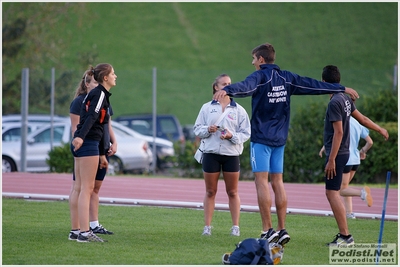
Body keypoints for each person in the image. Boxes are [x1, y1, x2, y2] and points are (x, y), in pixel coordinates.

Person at [213, 43, 360, 246]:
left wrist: (227, 90)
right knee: (278, 183)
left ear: (262, 60)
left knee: (261, 182)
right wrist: (340, 87)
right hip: (280, 140)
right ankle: (282, 230)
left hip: (262, 139)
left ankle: (267, 230)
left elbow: (245, 87)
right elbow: (313, 85)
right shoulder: (287, 77)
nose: (253, 62)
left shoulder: (260, 77)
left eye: (254, 58)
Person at [320, 65, 388, 246]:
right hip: (345, 153)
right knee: (334, 192)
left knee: (332, 193)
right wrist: (380, 129)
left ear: (324, 83)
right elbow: (363, 119)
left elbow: (339, 133)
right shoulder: (346, 99)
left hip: (338, 154)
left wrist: (331, 159)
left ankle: (345, 236)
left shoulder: (335, 102)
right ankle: (345, 235)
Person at [194, 74, 251, 236]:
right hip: (211, 153)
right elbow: (197, 128)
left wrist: (231, 136)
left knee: (232, 192)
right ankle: (207, 227)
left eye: (229, 84)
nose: (227, 86)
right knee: (210, 191)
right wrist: (207, 130)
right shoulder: (206, 108)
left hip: (231, 155)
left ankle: (236, 227)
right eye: (224, 84)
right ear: (216, 87)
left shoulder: (239, 110)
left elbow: (246, 133)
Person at [68, 69, 117, 241]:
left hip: (85, 143)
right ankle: (84, 232)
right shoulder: (100, 95)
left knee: (79, 188)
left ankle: (76, 231)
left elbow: (91, 120)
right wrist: (80, 137)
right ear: (105, 77)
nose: (115, 76)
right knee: (86, 189)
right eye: (113, 73)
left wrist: (102, 153)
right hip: (88, 143)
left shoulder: (94, 94)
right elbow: (91, 117)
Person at [319, 116, 374, 219]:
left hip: (345, 158)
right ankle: (349, 213)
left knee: (340, 189)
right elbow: (370, 142)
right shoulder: (357, 123)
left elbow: (334, 136)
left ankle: (362, 193)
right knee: (346, 187)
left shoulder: (339, 120)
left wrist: (325, 147)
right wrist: (362, 151)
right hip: (355, 160)